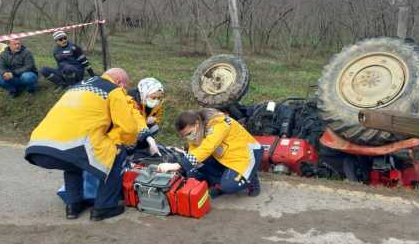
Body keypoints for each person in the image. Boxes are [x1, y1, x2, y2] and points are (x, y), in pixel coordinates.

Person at [24, 68, 139, 221]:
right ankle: (104, 207)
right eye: (125, 87)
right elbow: (128, 128)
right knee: (117, 153)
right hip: (74, 145)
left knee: (72, 160)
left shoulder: (77, 86)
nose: (124, 91)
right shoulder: (113, 90)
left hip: (39, 146)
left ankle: (73, 205)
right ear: (119, 83)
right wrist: (128, 144)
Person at [157, 108, 262, 198]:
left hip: (247, 155)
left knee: (229, 186)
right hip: (226, 156)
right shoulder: (197, 130)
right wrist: (186, 175)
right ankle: (220, 183)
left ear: (197, 123)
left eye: (189, 133)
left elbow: (208, 147)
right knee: (197, 166)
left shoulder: (219, 124)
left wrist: (177, 165)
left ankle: (251, 178)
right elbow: (193, 153)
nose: (188, 137)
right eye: (185, 136)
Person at [127, 78, 165, 156]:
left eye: (158, 98)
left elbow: (158, 117)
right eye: (153, 97)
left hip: (142, 126)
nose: (156, 100)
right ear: (144, 93)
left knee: (154, 128)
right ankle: (129, 149)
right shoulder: (130, 100)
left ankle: (142, 148)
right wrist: (150, 139)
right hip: (128, 127)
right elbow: (135, 119)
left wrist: (155, 120)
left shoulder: (156, 104)